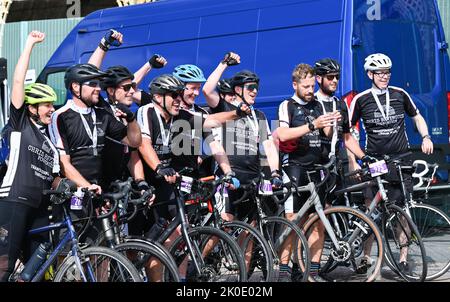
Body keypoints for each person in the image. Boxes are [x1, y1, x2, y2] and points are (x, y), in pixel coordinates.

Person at [132, 74, 246, 281]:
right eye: (173, 95)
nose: (179, 99)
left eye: (179, 94)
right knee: (150, 242)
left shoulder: (179, 116)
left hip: (169, 181)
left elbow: (209, 121)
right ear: (158, 97)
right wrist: (159, 167)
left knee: (177, 233)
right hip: (146, 183)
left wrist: (236, 114)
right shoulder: (147, 111)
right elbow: (143, 144)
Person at [349, 53, 433, 272]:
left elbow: (417, 116)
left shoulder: (400, 94)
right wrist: (354, 161)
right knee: (371, 210)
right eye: (379, 73)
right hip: (375, 162)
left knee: (402, 210)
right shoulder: (361, 99)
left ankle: (403, 257)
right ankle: (366, 257)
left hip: (401, 160)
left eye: (387, 72)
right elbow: (348, 133)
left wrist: (426, 137)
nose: (384, 76)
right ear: (370, 74)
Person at [0, 31, 61, 281]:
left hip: (38, 208)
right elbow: (17, 84)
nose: (52, 109)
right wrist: (29, 45)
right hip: (13, 201)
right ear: (32, 108)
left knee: (39, 269)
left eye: (52, 104)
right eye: (47, 104)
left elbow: (55, 178)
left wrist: (77, 188)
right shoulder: (19, 124)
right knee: (4, 266)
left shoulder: (50, 142)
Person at [275, 63, 341, 281]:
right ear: (295, 85)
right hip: (294, 167)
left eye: (312, 86)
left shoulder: (318, 105)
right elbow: (282, 134)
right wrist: (312, 125)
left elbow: (327, 133)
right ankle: (284, 270)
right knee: (292, 222)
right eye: (305, 86)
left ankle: (313, 270)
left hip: (316, 168)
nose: (310, 90)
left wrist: (330, 122)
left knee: (317, 222)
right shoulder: (288, 105)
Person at [86, 29, 167, 189]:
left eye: (132, 87)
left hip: (124, 183)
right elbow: (88, 74)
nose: (132, 91)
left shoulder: (127, 114)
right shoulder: (102, 109)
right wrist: (104, 44)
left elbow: (133, 154)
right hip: (102, 185)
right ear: (110, 91)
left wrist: (141, 182)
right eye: (127, 88)